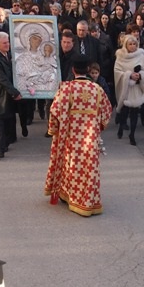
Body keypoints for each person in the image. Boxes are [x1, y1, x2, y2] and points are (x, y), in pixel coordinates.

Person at [44, 55, 112, 216]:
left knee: (71, 166)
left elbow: (54, 111)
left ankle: (71, 196)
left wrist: (53, 129)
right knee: (89, 168)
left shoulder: (66, 89)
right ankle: (88, 201)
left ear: (73, 70)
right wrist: (97, 127)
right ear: (88, 69)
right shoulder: (97, 89)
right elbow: (107, 112)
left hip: (70, 137)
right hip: (90, 138)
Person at [0, 31, 23, 158]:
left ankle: (6, 143)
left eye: (8, 42)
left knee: (8, 120)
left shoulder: (9, 55)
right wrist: (15, 92)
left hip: (8, 94)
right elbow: (2, 79)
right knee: (0, 121)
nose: (7, 45)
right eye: (4, 43)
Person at [114, 34, 144, 146]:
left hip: (137, 87)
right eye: (130, 44)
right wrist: (129, 75)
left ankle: (132, 135)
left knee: (135, 112)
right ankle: (121, 127)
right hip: (126, 88)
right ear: (126, 45)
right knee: (124, 111)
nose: (132, 46)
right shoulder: (120, 55)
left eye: (134, 44)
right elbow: (117, 71)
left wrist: (140, 75)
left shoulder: (140, 54)